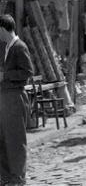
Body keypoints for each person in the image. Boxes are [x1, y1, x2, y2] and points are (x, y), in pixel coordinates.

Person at [0, 14, 33, 186]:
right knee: (4, 138)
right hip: (5, 98)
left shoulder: (19, 47)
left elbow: (27, 72)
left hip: (15, 97)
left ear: (3, 29)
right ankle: (6, 176)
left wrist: (5, 76)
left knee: (15, 139)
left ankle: (18, 177)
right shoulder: (7, 47)